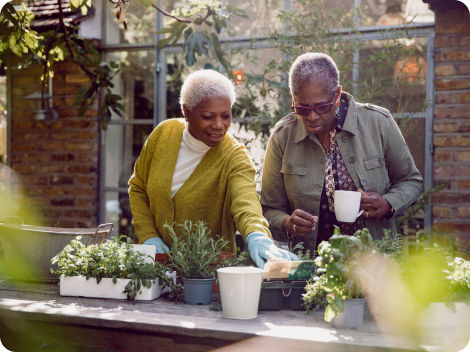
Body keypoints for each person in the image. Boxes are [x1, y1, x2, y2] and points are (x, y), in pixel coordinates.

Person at [128, 69, 297, 268]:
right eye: (208, 117)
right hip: (152, 269)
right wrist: (148, 237)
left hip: (206, 276)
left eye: (225, 116)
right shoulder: (163, 135)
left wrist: (256, 235)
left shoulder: (234, 157)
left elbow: (246, 204)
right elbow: (138, 189)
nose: (219, 125)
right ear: (186, 112)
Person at [260, 52, 423, 251]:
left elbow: (411, 181)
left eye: (321, 107)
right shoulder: (282, 136)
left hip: (374, 262)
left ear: (337, 94)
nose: (311, 116)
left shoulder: (378, 122)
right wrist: (287, 223)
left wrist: (388, 203)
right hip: (309, 264)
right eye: (302, 108)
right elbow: (269, 209)